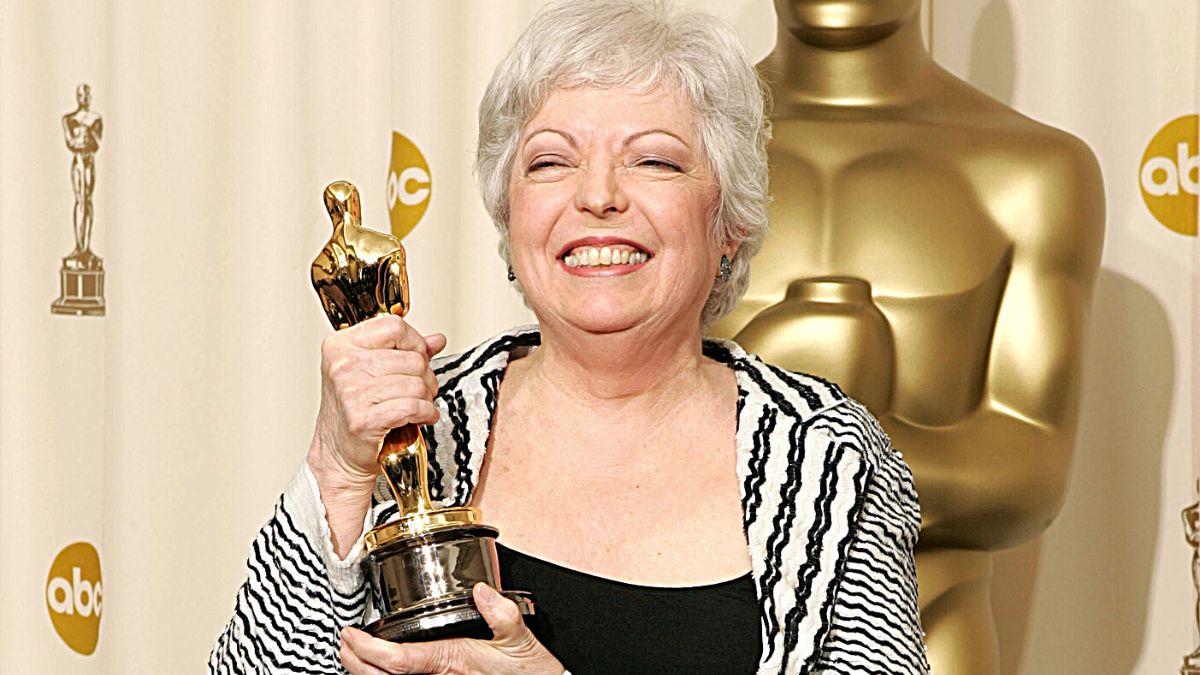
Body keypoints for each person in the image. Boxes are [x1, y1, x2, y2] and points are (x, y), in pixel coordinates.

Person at [208, 1, 928, 673]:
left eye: (654, 159)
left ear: (729, 223)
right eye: (551, 161)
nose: (597, 195)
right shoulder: (420, 427)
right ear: (510, 215)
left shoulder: (825, 459)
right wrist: (336, 469)